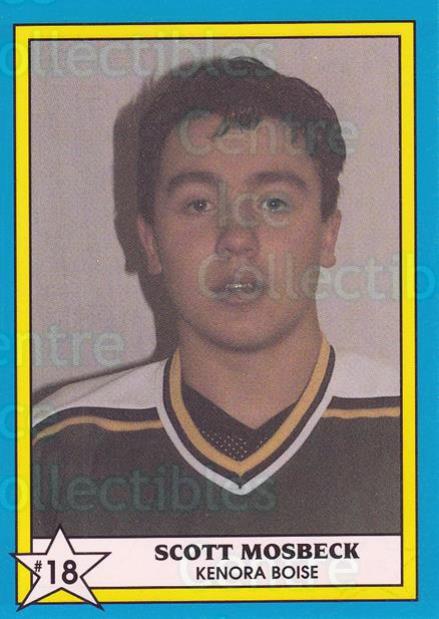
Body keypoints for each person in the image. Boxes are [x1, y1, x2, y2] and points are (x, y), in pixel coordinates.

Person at [32, 57, 400, 538]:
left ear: (327, 235)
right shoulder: (54, 447)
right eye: (199, 204)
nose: (236, 238)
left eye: (273, 202)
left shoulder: (415, 429)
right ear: (150, 242)